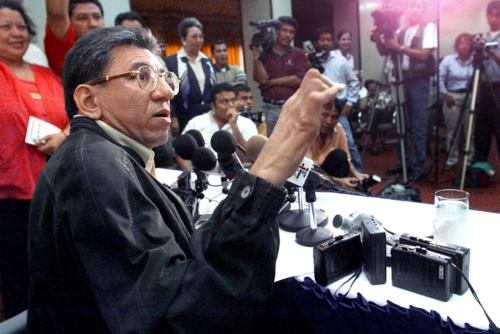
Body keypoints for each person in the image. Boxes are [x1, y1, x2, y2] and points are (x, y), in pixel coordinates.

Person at [27, 26, 344, 333]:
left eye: (165, 78)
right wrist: (272, 165)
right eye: (143, 77)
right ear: (89, 101)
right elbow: (182, 315)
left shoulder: (108, 155)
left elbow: (177, 263)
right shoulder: (90, 168)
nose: (166, 92)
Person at [0, 0, 68, 320]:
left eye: (22, 27)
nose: (17, 33)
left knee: (62, 274)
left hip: (57, 190)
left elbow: (76, 113)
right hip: (10, 198)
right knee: (20, 283)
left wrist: (65, 135)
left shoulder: (49, 74)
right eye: (5, 27)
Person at [371, 0, 437, 180]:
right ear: (407, 10)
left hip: (419, 80)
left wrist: (399, 47)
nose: (414, 10)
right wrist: (378, 37)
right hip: (401, 79)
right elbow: (385, 51)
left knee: (418, 126)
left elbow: (424, 54)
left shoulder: (428, 27)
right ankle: (404, 162)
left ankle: (418, 166)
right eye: (411, 6)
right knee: (401, 124)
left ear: (423, 10)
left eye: (418, 7)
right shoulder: (402, 31)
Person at [314, 28, 366, 174]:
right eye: (322, 39)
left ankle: (360, 176)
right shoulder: (310, 63)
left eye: (328, 39)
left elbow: (354, 81)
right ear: (316, 42)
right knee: (314, 142)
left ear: (333, 42)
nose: (325, 43)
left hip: (338, 109)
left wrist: (350, 102)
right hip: (318, 110)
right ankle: (319, 177)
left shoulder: (340, 61)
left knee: (348, 142)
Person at [252, 16, 307, 137]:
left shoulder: (298, 53)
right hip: (269, 107)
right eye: (284, 30)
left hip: (293, 107)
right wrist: (255, 54)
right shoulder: (264, 53)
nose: (287, 35)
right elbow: (261, 79)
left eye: (291, 32)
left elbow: (298, 79)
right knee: (267, 143)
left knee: (292, 143)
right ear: (277, 31)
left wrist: (271, 83)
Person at [164, 17, 216, 137]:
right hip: (185, 117)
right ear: (183, 39)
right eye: (193, 36)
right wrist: (173, 117)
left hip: (208, 115)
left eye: (200, 36)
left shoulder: (207, 60)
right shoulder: (172, 61)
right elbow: (169, 92)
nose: (198, 40)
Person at [182, 83, 257, 163]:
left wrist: (234, 126)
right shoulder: (196, 123)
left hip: (236, 174)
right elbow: (181, 154)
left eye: (233, 100)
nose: (231, 105)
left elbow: (246, 159)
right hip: (201, 172)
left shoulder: (248, 125)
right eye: (224, 102)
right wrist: (190, 173)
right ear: (213, 106)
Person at [306, 101, 369, 189]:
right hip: (304, 176)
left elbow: (346, 160)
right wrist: (338, 181)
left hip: (325, 172)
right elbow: (306, 171)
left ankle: (337, 191)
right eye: (325, 115)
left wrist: (356, 174)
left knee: (340, 155)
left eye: (334, 117)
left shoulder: (338, 129)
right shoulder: (305, 131)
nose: (329, 121)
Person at [439, 33, 474, 169]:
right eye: (461, 43)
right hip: (452, 97)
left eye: (467, 43)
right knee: (453, 131)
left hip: (470, 96)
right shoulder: (448, 60)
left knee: (470, 131)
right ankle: (451, 160)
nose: (464, 46)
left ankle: (469, 160)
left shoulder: (475, 60)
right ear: (456, 45)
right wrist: (445, 94)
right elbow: (440, 79)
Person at [44, 0, 104, 76]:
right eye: (82, 18)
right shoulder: (66, 51)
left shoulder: (114, 49)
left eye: (97, 17)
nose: (92, 24)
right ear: (68, 23)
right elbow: (57, 14)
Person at [474, 0, 500, 165]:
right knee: (481, 129)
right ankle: (479, 170)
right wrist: (477, 49)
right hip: (483, 87)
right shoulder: (483, 36)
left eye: (498, 15)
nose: (494, 19)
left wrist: (488, 50)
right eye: (491, 15)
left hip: (499, 88)